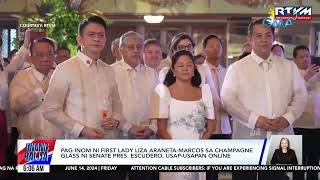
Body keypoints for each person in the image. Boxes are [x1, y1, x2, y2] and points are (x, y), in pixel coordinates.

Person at [221, 18, 307, 180]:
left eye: (268, 35)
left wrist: (287, 118)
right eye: (258, 35)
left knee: (279, 177)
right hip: (246, 136)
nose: (263, 40)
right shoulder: (237, 68)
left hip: (282, 136)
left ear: (273, 38)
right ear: (250, 39)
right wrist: (255, 119)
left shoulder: (288, 66)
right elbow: (228, 99)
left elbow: (301, 96)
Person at [43, 16, 126, 180]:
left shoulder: (108, 70)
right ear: (79, 39)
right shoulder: (65, 68)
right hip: (77, 149)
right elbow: (50, 110)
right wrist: (82, 130)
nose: (97, 38)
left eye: (101, 35)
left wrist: (116, 120)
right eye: (91, 34)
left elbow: (117, 106)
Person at [153, 50, 216, 180]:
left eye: (189, 65)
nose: (185, 69)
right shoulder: (164, 92)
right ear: (173, 70)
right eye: (180, 65)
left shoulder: (204, 91)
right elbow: (161, 129)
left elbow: (211, 126)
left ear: (194, 68)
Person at [112, 31, 158, 180]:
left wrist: (152, 128)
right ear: (121, 50)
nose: (135, 50)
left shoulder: (152, 74)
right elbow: (106, 105)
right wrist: (127, 127)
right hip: (117, 138)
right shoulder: (109, 72)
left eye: (139, 47)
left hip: (145, 140)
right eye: (130, 47)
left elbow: (160, 105)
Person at [9, 37, 61, 139]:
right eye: (40, 54)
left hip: (60, 140)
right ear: (31, 57)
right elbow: (17, 107)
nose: (45, 58)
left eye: (50, 54)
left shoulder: (61, 76)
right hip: (31, 141)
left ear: (54, 56)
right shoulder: (21, 77)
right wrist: (43, 90)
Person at [0, 29, 30, 176]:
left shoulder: (56, 71)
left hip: (3, 117)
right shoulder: (23, 78)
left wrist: (25, 45)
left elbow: (14, 65)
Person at [202, 34, 232, 180]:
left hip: (225, 127)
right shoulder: (199, 71)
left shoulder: (228, 72)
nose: (215, 49)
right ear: (204, 50)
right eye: (211, 46)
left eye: (218, 46)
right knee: (207, 172)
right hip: (206, 129)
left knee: (223, 173)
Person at [293, 45, 320, 180]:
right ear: (295, 60)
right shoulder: (292, 75)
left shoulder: (318, 73)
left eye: (307, 56)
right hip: (298, 125)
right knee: (299, 161)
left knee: (314, 161)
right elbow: (293, 95)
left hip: (316, 125)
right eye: (301, 57)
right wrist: (307, 78)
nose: (305, 59)